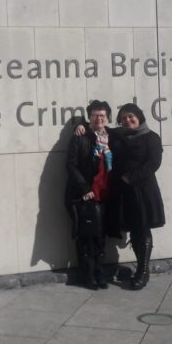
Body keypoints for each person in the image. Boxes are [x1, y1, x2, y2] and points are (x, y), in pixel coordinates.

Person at [111, 103, 165, 290]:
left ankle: (143, 271)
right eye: (123, 118)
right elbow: (98, 126)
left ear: (139, 117)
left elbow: (154, 163)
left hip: (143, 189)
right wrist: (80, 125)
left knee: (142, 228)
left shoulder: (151, 137)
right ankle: (141, 269)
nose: (127, 120)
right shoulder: (119, 136)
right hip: (124, 191)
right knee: (134, 229)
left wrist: (131, 177)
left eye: (130, 116)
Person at [65, 100, 114, 290]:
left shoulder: (111, 137)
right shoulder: (80, 136)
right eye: (95, 115)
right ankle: (89, 275)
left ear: (107, 117)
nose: (99, 118)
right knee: (86, 235)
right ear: (89, 117)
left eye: (102, 115)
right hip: (84, 194)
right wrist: (85, 189)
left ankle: (99, 272)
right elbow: (71, 165)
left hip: (104, 193)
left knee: (100, 236)